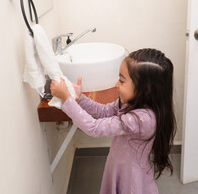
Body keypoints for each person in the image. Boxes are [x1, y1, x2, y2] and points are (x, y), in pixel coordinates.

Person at [50, 48, 177, 194]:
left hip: (129, 177)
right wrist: (80, 99)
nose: (117, 84)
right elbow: (103, 111)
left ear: (146, 89)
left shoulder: (141, 119)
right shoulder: (131, 103)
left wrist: (67, 99)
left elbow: (94, 128)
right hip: (118, 166)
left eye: (122, 81)